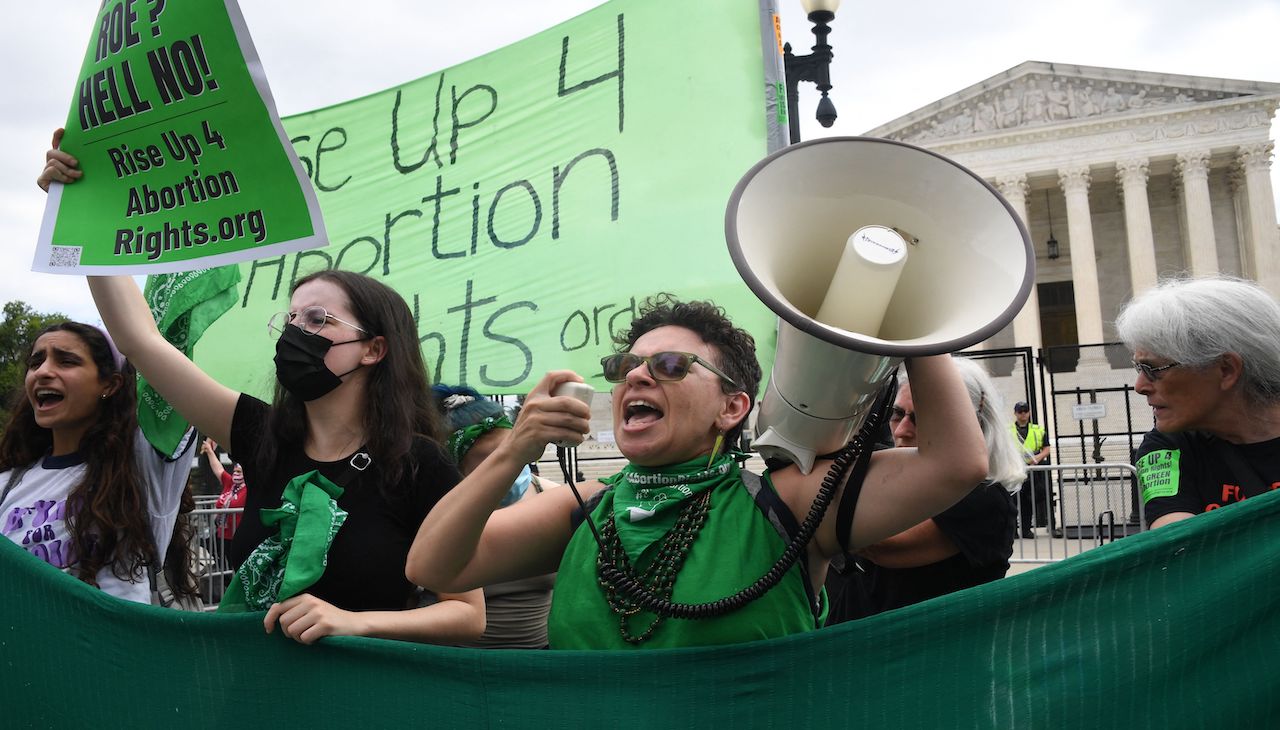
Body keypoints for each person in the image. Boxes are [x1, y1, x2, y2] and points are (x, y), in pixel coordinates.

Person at [40, 131, 484, 645]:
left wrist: (356, 623)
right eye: (291, 318)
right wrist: (80, 212)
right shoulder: (260, 434)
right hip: (248, 696)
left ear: (374, 349)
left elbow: (468, 613)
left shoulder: (419, 465)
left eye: (318, 319)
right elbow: (140, 341)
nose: (296, 332)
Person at [407, 295, 987, 649]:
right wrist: (512, 453)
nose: (635, 376)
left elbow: (954, 464)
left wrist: (913, 323)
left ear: (732, 407)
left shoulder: (782, 499)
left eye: (668, 365)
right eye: (624, 365)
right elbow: (432, 564)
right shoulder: (582, 506)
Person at [0, 322, 197, 604]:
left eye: (66, 361)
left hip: (111, 646)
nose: (42, 372)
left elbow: (165, 354)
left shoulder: (142, 469)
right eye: (36, 362)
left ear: (110, 384)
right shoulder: (8, 484)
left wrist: (102, 277)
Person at [824, 357, 1024, 623]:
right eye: (897, 414)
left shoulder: (985, 499)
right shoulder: (895, 480)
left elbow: (882, 546)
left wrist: (822, 477)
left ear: (967, 424)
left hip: (927, 655)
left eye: (921, 418)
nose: (903, 430)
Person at [1116, 276, 1280, 528]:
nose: (1139, 386)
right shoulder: (1165, 448)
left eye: (1153, 368)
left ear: (1226, 370)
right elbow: (1180, 547)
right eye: (1138, 367)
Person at [434, 385, 559, 649]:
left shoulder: (552, 497)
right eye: (490, 461)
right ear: (454, 468)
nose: (509, 469)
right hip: (453, 667)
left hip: (540, 664)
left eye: (511, 453)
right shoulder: (436, 516)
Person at [1010, 400, 1052, 537]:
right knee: (1012, 501)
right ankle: (1013, 531)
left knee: (1028, 500)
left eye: (1025, 411)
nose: (1023, 414)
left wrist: (1036, 459)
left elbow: (1046, 449)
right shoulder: (1007, 430)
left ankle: (1026, 530)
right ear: (1015, 413)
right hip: (1014, 469)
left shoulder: (1038, 430)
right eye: (1020, 411)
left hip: (1032, 470)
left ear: (1029, 413)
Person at [201, 438, 247, 542]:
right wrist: (209, 451)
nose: (235, 474)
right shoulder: (230, 483)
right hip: (222, 535)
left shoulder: (249, 488)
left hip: (238, 536)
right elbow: (218, 469)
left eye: (239, 472)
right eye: (234, 471)